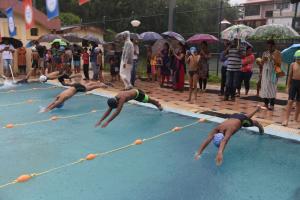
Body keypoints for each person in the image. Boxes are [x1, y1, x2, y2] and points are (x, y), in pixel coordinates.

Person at [195, 105, 265, 166]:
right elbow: (208, 139)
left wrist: (220, 153)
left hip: (241, 120)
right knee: (246, 116)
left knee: (252, 121)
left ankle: (259, 125)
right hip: (233, 117)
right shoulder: (217, 129)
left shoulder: (229, 130)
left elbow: (224, 141)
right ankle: (257, 108)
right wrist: (199, 152)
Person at [95, 89, 163, 128]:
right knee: (148, 100)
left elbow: (117, 112)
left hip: (138, 94)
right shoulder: (114, 100)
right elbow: (109, 110)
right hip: (133, 92)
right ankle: (155, 102)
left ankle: (157, 104)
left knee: (149, 101)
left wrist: (107, 122)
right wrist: (100, 120)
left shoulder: (122, 98)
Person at [43, 74, 107, 112]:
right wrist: (46, 108)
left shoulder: (62, 99)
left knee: (88, 89)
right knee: (86, 86)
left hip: (76, 88)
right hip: (75, 86)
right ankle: (97, 83)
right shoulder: (59, 96)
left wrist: (46, 110)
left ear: (61, 103)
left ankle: (100, 85)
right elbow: (53, 102)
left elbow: (54, 105)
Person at [260, 39, 281, 110]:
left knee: (272, 88)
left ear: (273, 45)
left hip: (273, 73)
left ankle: (272, 105)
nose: (269, 47)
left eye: (271, 45)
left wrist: (273, 58)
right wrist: (263, 60)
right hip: (265, 72)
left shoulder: (277, 53)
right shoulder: (265, 53)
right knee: (265, 87)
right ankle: (265, 104)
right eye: (268, 45)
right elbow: (261, 63)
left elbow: (279, 64)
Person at [282, 50, 300, 126]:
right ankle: (286, 119)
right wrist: (287, 86)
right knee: (290, 101)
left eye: (299, 59)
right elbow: (290, 76)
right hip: (294, 83)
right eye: (297, 59)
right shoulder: (293, 64)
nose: (298, 60)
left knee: (299, 102)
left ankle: (295, 118)